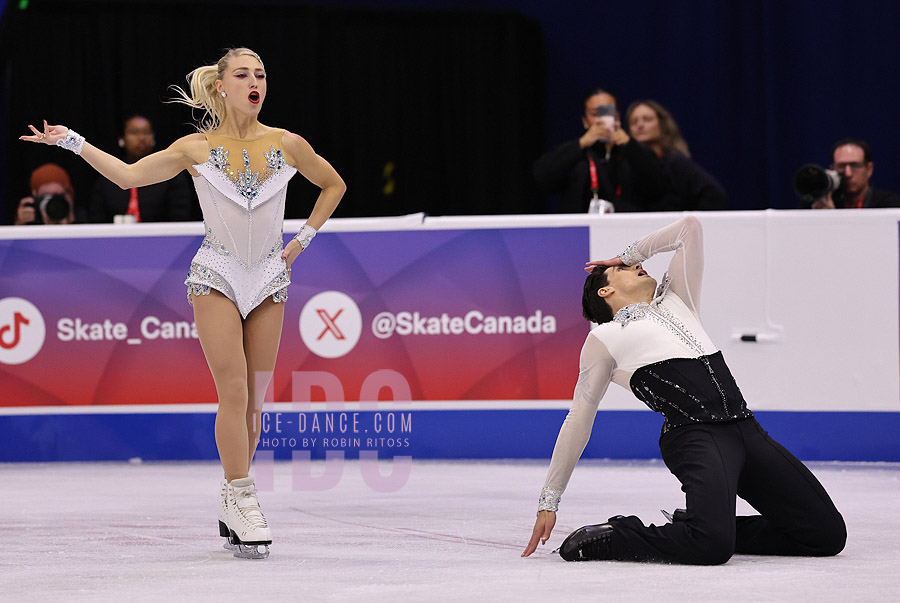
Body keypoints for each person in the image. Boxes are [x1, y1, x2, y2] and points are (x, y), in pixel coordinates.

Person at [21, 47, 346, 559]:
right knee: (234, 388)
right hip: (215, 273)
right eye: (242, 74)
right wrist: (73, 142)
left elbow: (334, 184)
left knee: (257, 399)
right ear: (221, 85)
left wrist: (300, 241)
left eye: (260, 74)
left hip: (269, 277)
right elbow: (129, 177)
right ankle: (243, 496)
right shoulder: (195, 148)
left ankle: (230, 494)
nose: (254, 81)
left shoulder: (288, 143)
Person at [521, 215, 846, 564]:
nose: (637, 265)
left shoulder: (678, 300)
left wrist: (624, 254)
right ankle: (618, 537)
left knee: (825, 534)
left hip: (746, 430)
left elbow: (688, 228)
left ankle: (705, 523)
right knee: (711, 547)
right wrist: (549, 501)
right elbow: (579, 420)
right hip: (695, 436)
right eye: (626, 269)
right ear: (606, 291)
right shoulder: (604, 339)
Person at [532, 88, 669, 213]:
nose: (602, 119)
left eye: (608, 112)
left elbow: (660, 186)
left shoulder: (634, 151)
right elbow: (541, 177)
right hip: (583, 232)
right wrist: (582, 143)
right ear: (585, 121)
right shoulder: (576, 153)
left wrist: (629, 146)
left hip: (629, 230)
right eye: (595, 113)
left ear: (617, 116)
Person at [89, 115, 194, 222]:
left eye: (146, 132)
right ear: (122, 139)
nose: (142, 138)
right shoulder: (107, 175)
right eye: (134, 132)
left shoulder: (171, 171)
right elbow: (96, 218)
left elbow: (180, 216)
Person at [626, 100, 727, 211]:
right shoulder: (624, 167)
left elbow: (713, 194)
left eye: (647, 119)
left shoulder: (674, 161)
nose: (640, 125)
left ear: (662, 124)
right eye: (634, 122)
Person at [808, 138, 900, 209]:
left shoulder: (889, 205)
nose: (848, 174)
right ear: (832, 169)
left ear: (869, 169)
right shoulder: (817, 204)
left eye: (855, 166)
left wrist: (833, 218)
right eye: (841, 166)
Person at [13, 163, 78, 225]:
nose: (53, 205)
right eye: (46, 197)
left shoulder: (85, 222)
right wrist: (19, 224)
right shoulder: (31, 224)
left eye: (57, 196)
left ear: (69, 197)